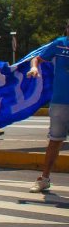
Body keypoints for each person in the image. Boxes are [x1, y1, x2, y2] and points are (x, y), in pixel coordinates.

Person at [27, 21, 69, 193]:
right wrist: (34, 68)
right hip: (60, 100)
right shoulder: (60, 44)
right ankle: (44, 179)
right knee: (55, 141)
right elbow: (36, 58)